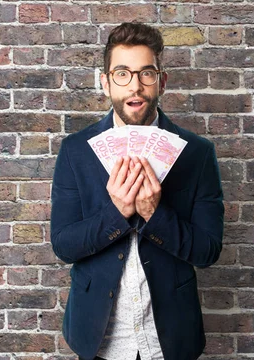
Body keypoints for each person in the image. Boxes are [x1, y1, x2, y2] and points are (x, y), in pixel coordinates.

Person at [50, 22, 224, 360]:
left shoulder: (197, 153)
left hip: (169, 337)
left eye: (147, 74)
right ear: (106, 81)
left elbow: (207, 251)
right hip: (100, 337)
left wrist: (154, 214)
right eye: (122, 74)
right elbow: (64, 245)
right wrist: (117, 212)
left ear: (161, 80)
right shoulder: (76, 150)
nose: (136, 86)